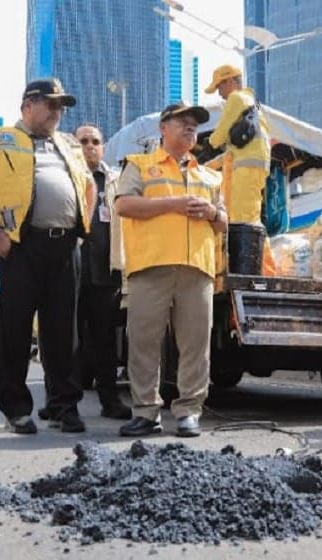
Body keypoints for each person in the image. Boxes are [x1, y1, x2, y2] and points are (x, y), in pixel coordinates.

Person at [0, 78, 94, 435]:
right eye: (50, 104)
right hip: (21, 245)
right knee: (15, 329)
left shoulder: (69, 145)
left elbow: (89, 185)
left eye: (61, 106)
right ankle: (16, 409)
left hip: (66, 246)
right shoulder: (1, 139)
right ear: (27, 105)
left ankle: (63, 406)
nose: (57, 112)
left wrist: (81, 230)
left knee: (62, 331)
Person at [115, 102, 227, 438]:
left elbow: (224, 221)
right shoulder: (139, 165)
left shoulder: (209, 175)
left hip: (197, 268)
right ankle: (146, 412)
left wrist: (211, 212)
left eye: (195, 124)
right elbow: (123, 205)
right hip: (152, 265)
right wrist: (174, 204)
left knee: (195, 344)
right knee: (144, 341)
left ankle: (189, 411)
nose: (191, 128)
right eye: (183, 122)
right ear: (163, 128)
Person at [73, 123, 131, 420]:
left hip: (104, 273)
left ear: (103, 147)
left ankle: (111, 401)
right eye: (83, 141)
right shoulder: (67, 176)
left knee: (105, 342)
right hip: (69, 272)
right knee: (66, 340)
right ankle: (62, 403)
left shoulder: (115, 181)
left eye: (95, 141)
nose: (89, 146)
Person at [205, 64, 276, 276]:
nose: (219, 93)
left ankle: (249, 271)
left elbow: (217, 138)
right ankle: (262, 268)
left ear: (230, 81)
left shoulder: (237, 99)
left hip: (246, 169)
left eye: (219, 86)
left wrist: (208, 143)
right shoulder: (252, 105)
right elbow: (230, 153)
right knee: (248, 215)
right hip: (251, 168)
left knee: (243, 219)